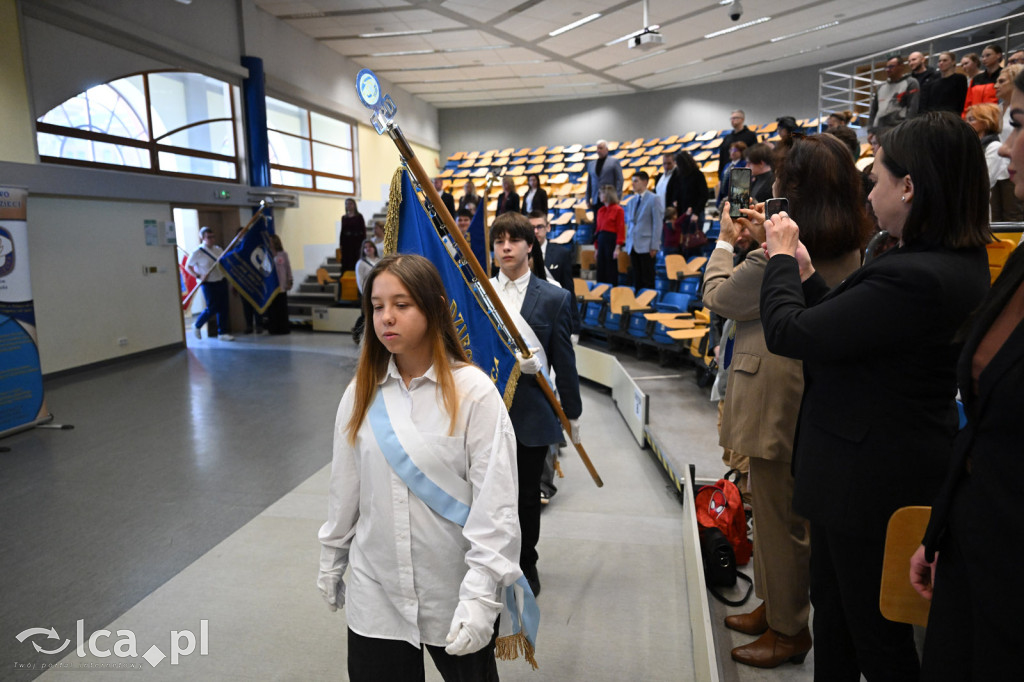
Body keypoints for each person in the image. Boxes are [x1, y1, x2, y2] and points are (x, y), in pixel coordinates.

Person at [758, 111, 991, 681]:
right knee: (838, 620)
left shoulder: (916, 273)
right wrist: (811, 278)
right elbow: (853, 334)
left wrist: (783, 259)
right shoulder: (938, 260)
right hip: (868, 470)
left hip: (867, 483)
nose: (869, 190)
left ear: (909, 188)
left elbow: (791, 334)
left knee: (874, 638)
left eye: (879, 178)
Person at [704, 133, 870, 670]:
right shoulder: (849, 245)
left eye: (777, 182)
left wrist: (728, 244)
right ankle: (776, 606)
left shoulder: (775, 258)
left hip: (773, 395)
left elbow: (719, 298)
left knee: (777, 518)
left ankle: (788, 628)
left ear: (793, 193)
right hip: (810, 393)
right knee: (783, 517)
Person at [317, 253, 523, 681]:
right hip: (377, 591)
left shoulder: (475, 395)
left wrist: (482, 594)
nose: (386, 318)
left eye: (402, 305)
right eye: (377, 307)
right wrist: (332, 557)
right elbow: (345, 490)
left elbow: (496, 506)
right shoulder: (360, 394)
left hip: (453, 590)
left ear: (432, 309)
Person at [911, 68, 1024, 681]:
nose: (1004, 147)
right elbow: (981, 421)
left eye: (1022, 124)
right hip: (972, 551)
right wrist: (941, 530)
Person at [490, 213, 581, 597]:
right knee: (488, 496)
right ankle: (491, 561)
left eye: (514, 240)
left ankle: (527, 561)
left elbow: (565, 362)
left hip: (531, 414)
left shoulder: (555, 297)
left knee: (528, 496)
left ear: (531, 246)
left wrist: (572, 414)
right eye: (499, 241)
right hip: (487, 414)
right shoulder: (479, 294)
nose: (506, 247)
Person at [186, 226, 234, 341]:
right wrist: (198, 276)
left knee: (224, 307)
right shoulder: (197, 252)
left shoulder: (218, 249)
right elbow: (188, 266)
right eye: (209, 237)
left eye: (213, 237)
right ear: (202, 238)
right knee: (212, 307)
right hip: (208, 283)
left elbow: (224, 262)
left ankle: (222, 332)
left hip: (221, 280)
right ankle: (197, 324)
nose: (212, 239)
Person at [993, 64, 1024, 221]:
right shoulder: (996, 109)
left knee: (1013, 214)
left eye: (1002, 81)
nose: (995, 85)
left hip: (1014, 167)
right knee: (996, 215)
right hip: (996, 168)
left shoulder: (1017, 109)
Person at [624, 170, 663, 290]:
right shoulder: (631, 201)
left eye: (636, 181)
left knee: (648, 278)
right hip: (633, 244)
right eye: (632, 181)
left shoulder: (654, 199)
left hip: (647, 245)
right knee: (637, 278)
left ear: (645, 182)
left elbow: (657, 223)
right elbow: (630, 224)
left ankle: (649, 304)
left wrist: (654, 246)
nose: (633, 184)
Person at [673, 151, 709, 259]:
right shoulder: (679, 175)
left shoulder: (697, 174)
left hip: (695, 214)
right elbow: (678, 193)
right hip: (683, 214)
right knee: (685, 243)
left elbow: (704, 195)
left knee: (695, 243)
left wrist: (696, 212)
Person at [869, 55, 920, 128]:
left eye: (891, 67)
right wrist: (871, 129)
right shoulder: (881, 87)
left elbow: (912, 108)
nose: (888, 70)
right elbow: (874, 110)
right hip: (880, 129)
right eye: (886, 67)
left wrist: (907, 128)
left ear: (901, 67)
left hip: (899, 129)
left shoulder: (911, 83)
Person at [594, 184, 625, 285]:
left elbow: (620, 229)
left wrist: (618, 247)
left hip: (611, 241)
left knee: (610, 269)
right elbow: (597, 230)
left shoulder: (618, 210)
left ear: (607, 195)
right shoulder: (600, 210)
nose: (599, 196)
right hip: (601, 240)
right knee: (601, 269)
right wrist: (596, 248)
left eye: (601, 193)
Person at [350, 239, 379, 344]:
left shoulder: (379, 261)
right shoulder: (361, 263)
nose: (368, 249)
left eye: (370, 247)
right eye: (366, 247)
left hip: (378, 291)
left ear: (374, 248)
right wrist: (365, 293)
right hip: (366, 292)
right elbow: (360, 280)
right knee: (365, 315)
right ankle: (356, 332)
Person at [718, 110, 759, 180]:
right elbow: (722, 157)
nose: (732, 120)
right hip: (727, 173)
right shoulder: (727, 138)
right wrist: (720, 176)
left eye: (735, 118)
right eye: (731, 118)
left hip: (743, 174)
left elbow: (754, 155)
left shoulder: (750, 135)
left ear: (742, 119)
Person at [265, 233, 293, 335]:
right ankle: (273, 328)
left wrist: (290, 280)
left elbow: (287, 268)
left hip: (281, 285)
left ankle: (283, 328)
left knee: (282, 308)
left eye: (271, 240)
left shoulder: (283, 254)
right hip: (271, 286)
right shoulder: (266, 254)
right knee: (272, 309)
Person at [586, 140, 623, 211]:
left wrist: (617, 197)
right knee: (597, 221)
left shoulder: (614, 162)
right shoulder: (591, 164)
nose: (598, 150)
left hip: (610, 199)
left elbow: (619, 180)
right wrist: (587, 199)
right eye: (597, 148)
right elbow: (589, 183)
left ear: (606, 149)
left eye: (601, 148)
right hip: (596, 199)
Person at [716, 141, 748, 208]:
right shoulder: (727, 165)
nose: (732, 152)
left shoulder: (744, 164)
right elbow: (722, 183)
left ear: (741, 152)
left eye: (735, 150)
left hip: (735, 199)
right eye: (731, 150)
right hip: (724, 196)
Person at [340, 198, 367, 273]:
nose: (348, 205)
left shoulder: (359, 216)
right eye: (347, 204)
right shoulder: (344, 218)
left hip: (357, 242)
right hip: (347, 243)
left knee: (356, 259)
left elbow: (363, 230)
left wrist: (364, 242)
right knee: (347, 261)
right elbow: (342, 231)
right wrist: (341, 244)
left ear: (354, 205)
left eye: (350, 204)